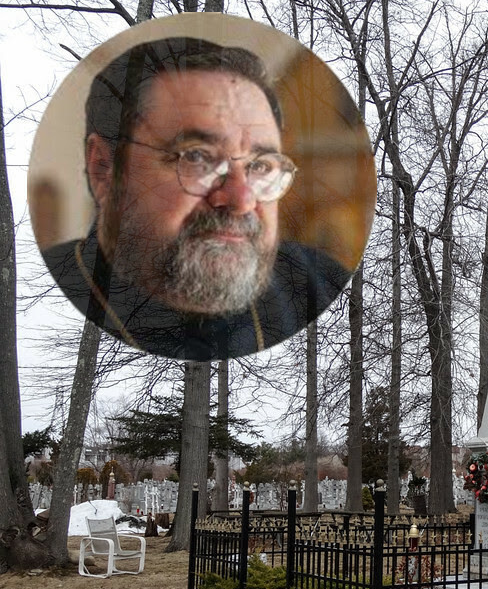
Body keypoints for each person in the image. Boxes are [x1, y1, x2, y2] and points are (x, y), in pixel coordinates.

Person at [42, 37, 352, 361]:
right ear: (103, 169)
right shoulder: (50, 308)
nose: (242, 200)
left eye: (260, 166)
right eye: (197, 158)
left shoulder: (323, 286)